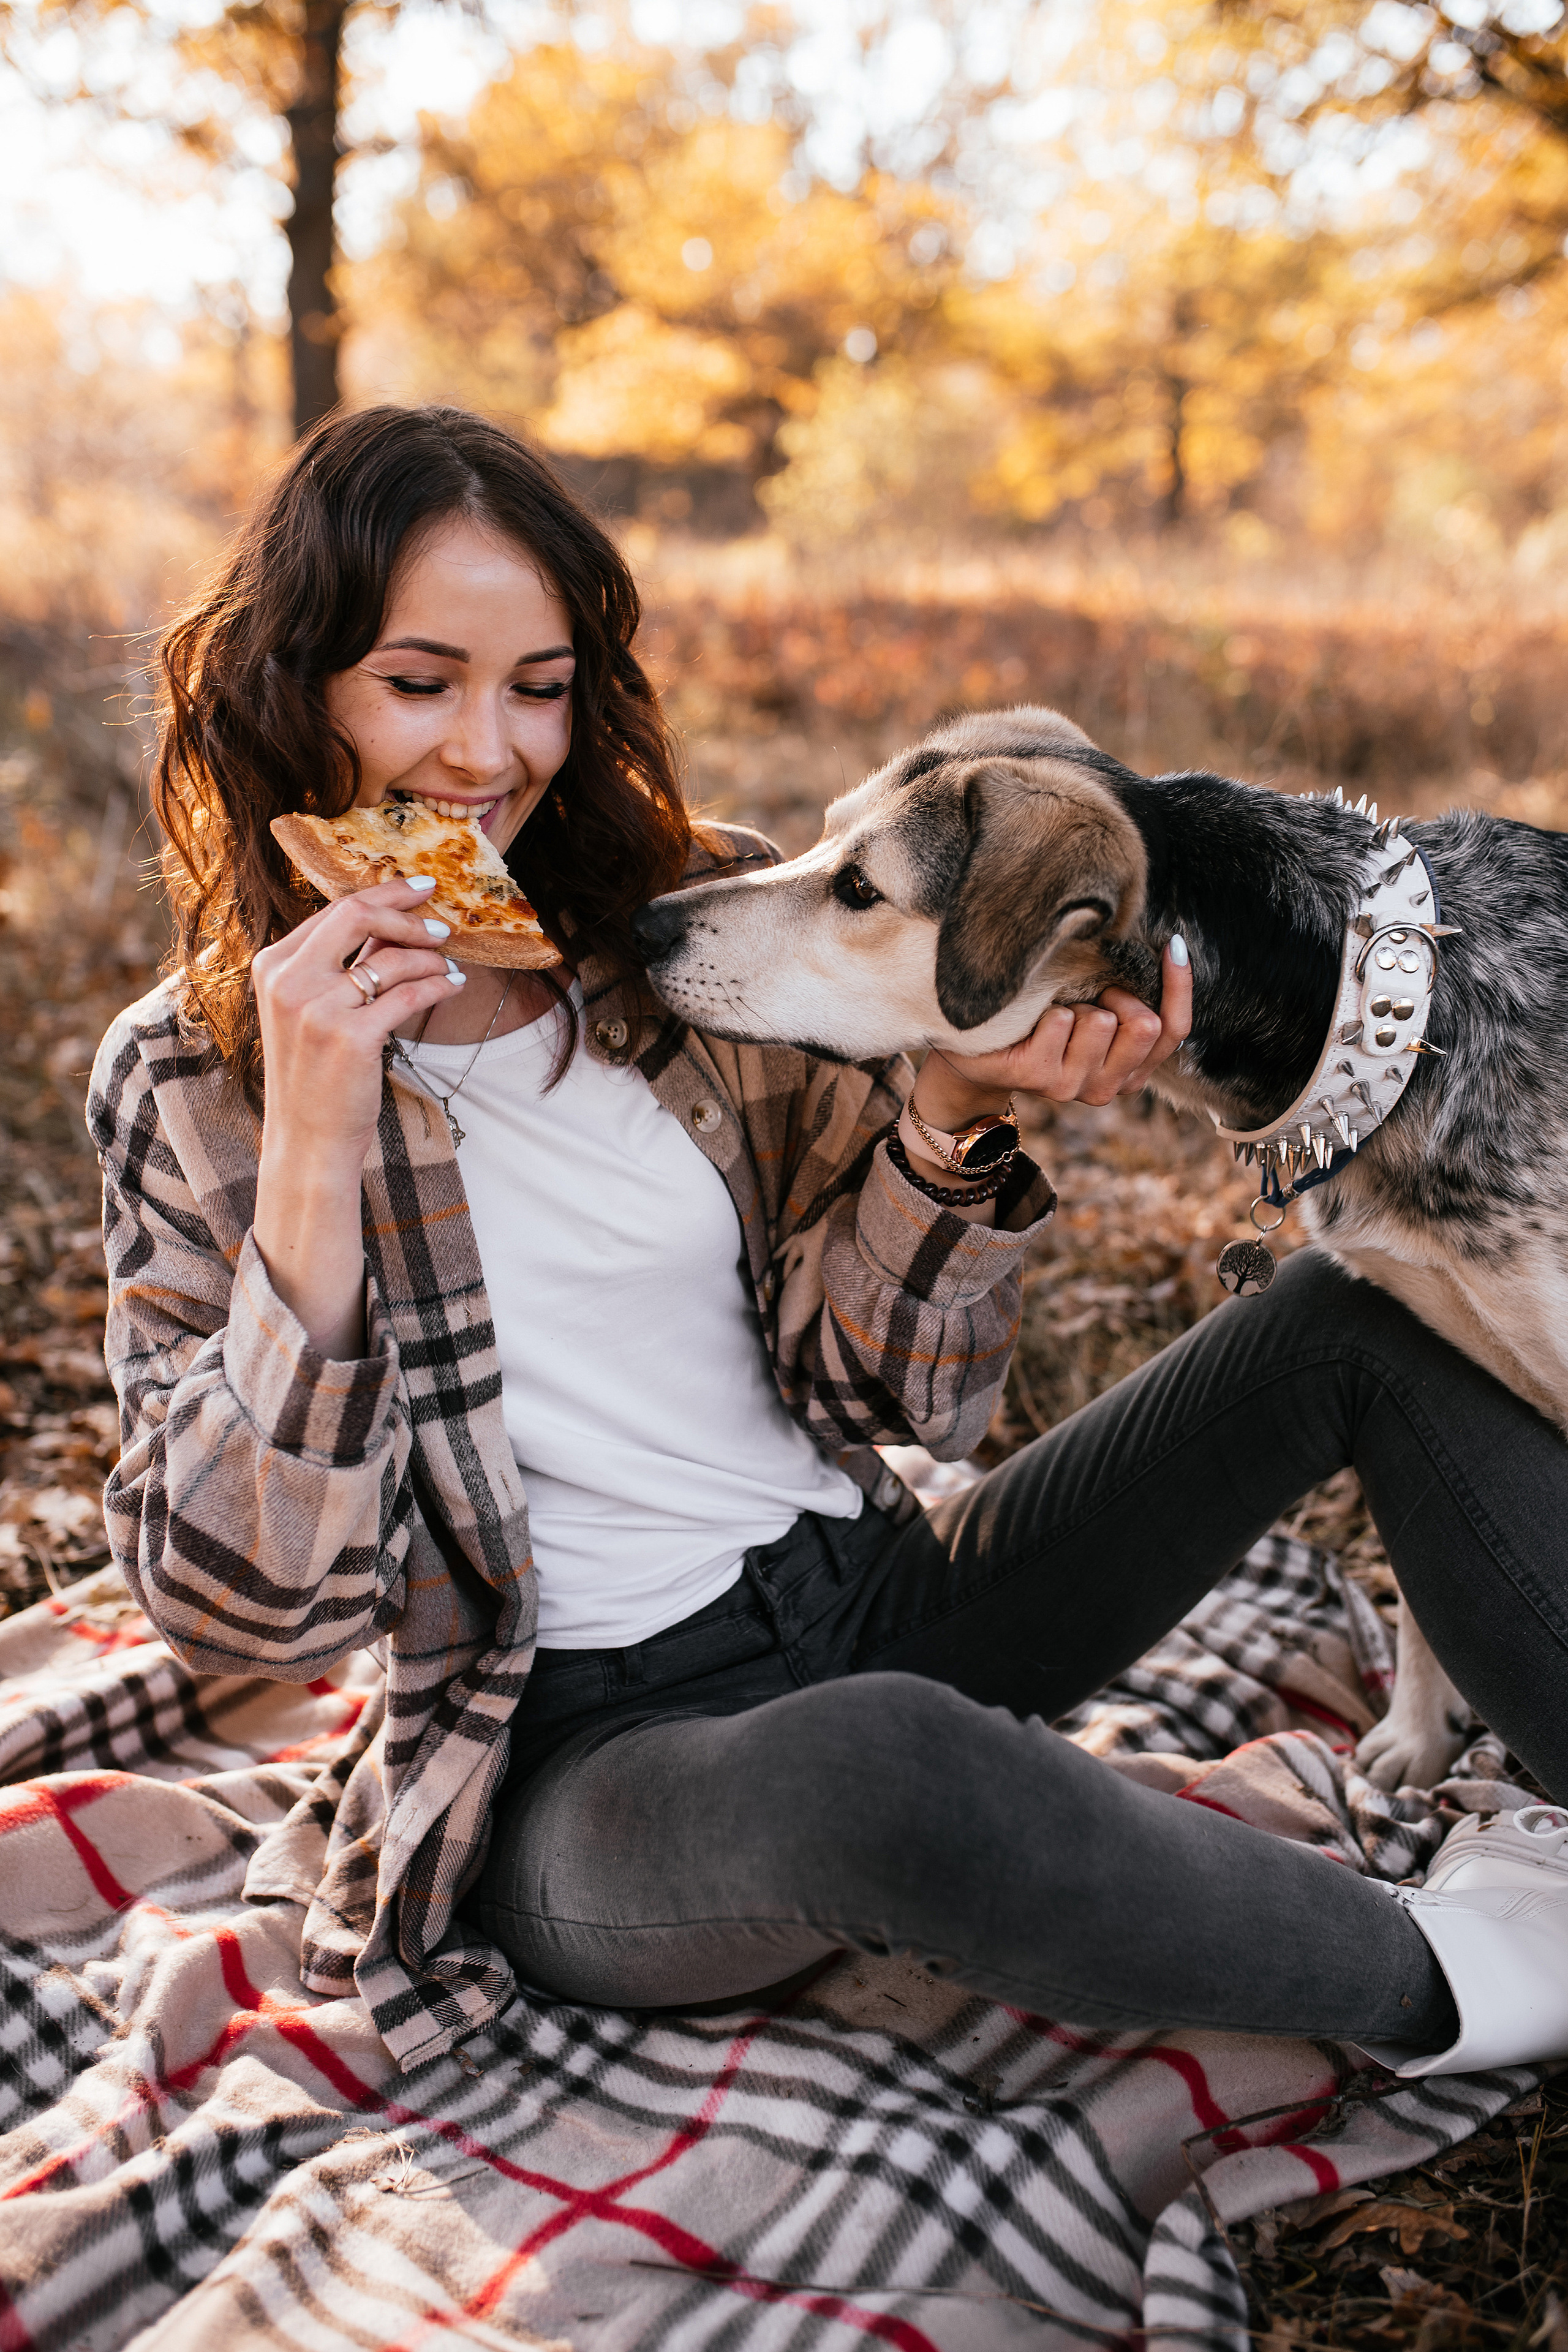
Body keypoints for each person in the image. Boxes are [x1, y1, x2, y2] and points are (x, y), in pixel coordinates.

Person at [91, 403, 1568, 2084]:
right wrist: (313, 1149)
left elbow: (902, 1409)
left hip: (878, 1587)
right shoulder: (199, 1074)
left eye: (542, 686)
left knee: (1353, 1309)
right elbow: (244, 1623)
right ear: (298, 690)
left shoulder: (689, 945)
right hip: (594, 1764)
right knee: (887, 1771)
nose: (488, 754)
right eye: (420, 685)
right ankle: (1463, 1979)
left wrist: (947, 1125)